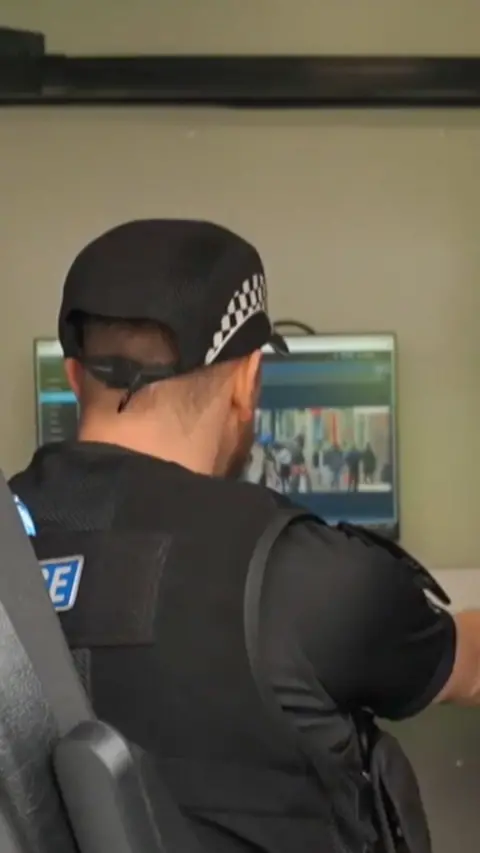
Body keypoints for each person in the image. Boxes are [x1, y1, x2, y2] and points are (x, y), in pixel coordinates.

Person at [8, 218, 480, 853]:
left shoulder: (12, 548)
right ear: (247, 380)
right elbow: (468, 670)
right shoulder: (300, 574)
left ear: (72, 373)